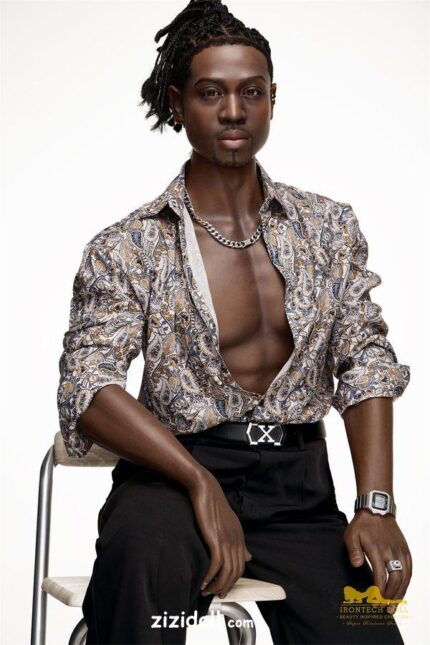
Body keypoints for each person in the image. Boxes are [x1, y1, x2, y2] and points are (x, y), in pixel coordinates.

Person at [56, 0, 412, 642]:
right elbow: (88, 384)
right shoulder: (130, 245)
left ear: (273, 99)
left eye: (251, 92)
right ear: (177, 103)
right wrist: (198, 481)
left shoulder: (329, 227)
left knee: (367, 627)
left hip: (298, 490)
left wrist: (376, 505)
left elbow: (366, 360)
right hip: (171, 477)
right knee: (148, 576)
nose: (233, 111)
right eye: (210, 93)